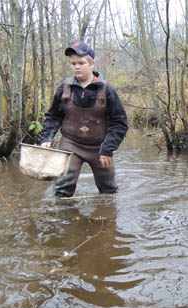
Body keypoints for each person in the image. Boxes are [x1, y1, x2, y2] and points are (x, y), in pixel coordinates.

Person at [39, 41, 128, 197]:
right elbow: (53, 116)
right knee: (62, 189)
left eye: (81, 63)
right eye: (73, 63)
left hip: (100, 147)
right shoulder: (64, 88)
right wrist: (47, 137)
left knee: (108, 191)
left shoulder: (107, 90)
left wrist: (108, 148)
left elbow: (119, 123)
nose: (77, 67)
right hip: (70, 144)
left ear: (92, 64)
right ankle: (65, 218)